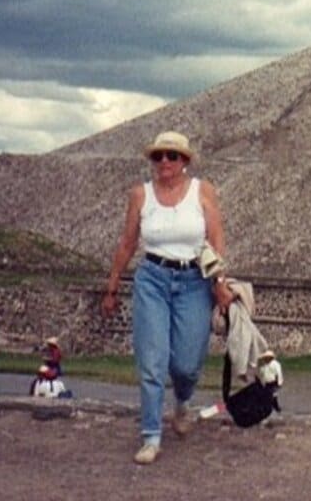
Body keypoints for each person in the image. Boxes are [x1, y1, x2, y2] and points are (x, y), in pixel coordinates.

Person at [99, 131, 234, 465]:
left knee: (187, 364)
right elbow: (127, 243)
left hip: (193, 280)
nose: (164, 163)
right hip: (152, 280)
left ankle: (182, 403)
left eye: (171, 156)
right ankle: (151, 436)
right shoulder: (140, 195)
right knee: (152, 360)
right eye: (158, 156)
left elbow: (215, 239)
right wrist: (112, 287)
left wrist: (219, 281)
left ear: (184, 161)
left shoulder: (203, 191)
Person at [257, 349, 284, 414]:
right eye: (265, 358)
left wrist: (279, 383)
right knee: (267, 397)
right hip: (266, 384)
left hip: (273, 382)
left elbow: (278, 373)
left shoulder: (276, 364)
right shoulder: (264, 366)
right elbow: (261, 374)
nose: (266, 359)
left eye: (267, 357)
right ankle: (273, 409)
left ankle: (276, 409)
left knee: (272, 396)